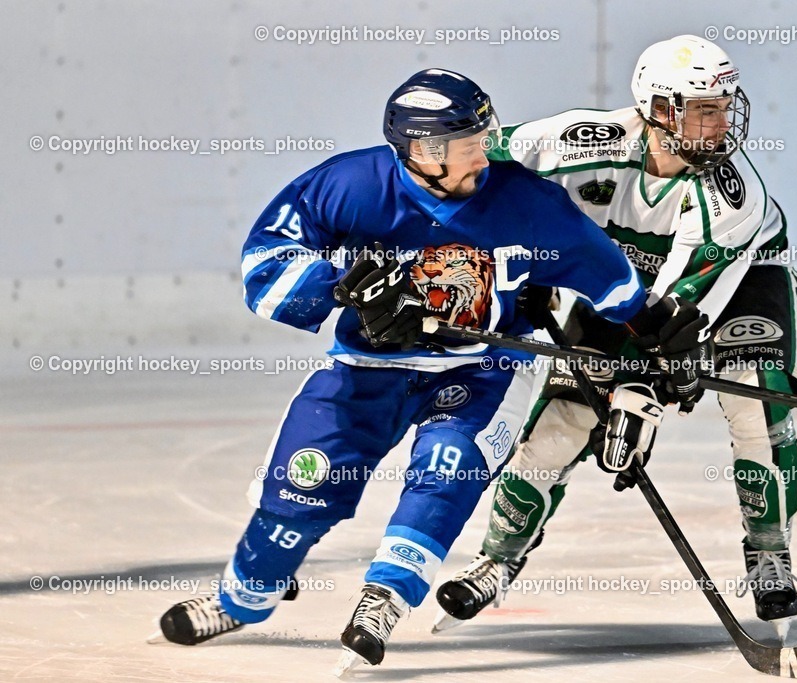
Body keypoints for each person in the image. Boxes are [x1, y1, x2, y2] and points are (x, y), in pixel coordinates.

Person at [151, 68, 707, 674]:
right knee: (302, 485)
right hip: (368, 364)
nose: (483, 154)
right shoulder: (353, 185)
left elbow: (613, 283)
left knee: (446, 470)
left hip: (485, 366)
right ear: (423, 152)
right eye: (467, 145)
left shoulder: (526, 201)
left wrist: (659, 333)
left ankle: (383, 599)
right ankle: (245, 598)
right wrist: (337, 287)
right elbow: (265, 260)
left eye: (483, 135)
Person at [435, 35, 797, 639]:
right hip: (613, 280)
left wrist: (639, 395)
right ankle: (497, 561)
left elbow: (673, 325)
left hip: (736, 282)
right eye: (703, 108)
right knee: (560, 426)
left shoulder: (733, 201)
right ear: (660, 110)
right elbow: (473, 164)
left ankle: (770, 553)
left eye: (723, 107)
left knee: (755, 402)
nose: (720, 124)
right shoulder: (583, 142)